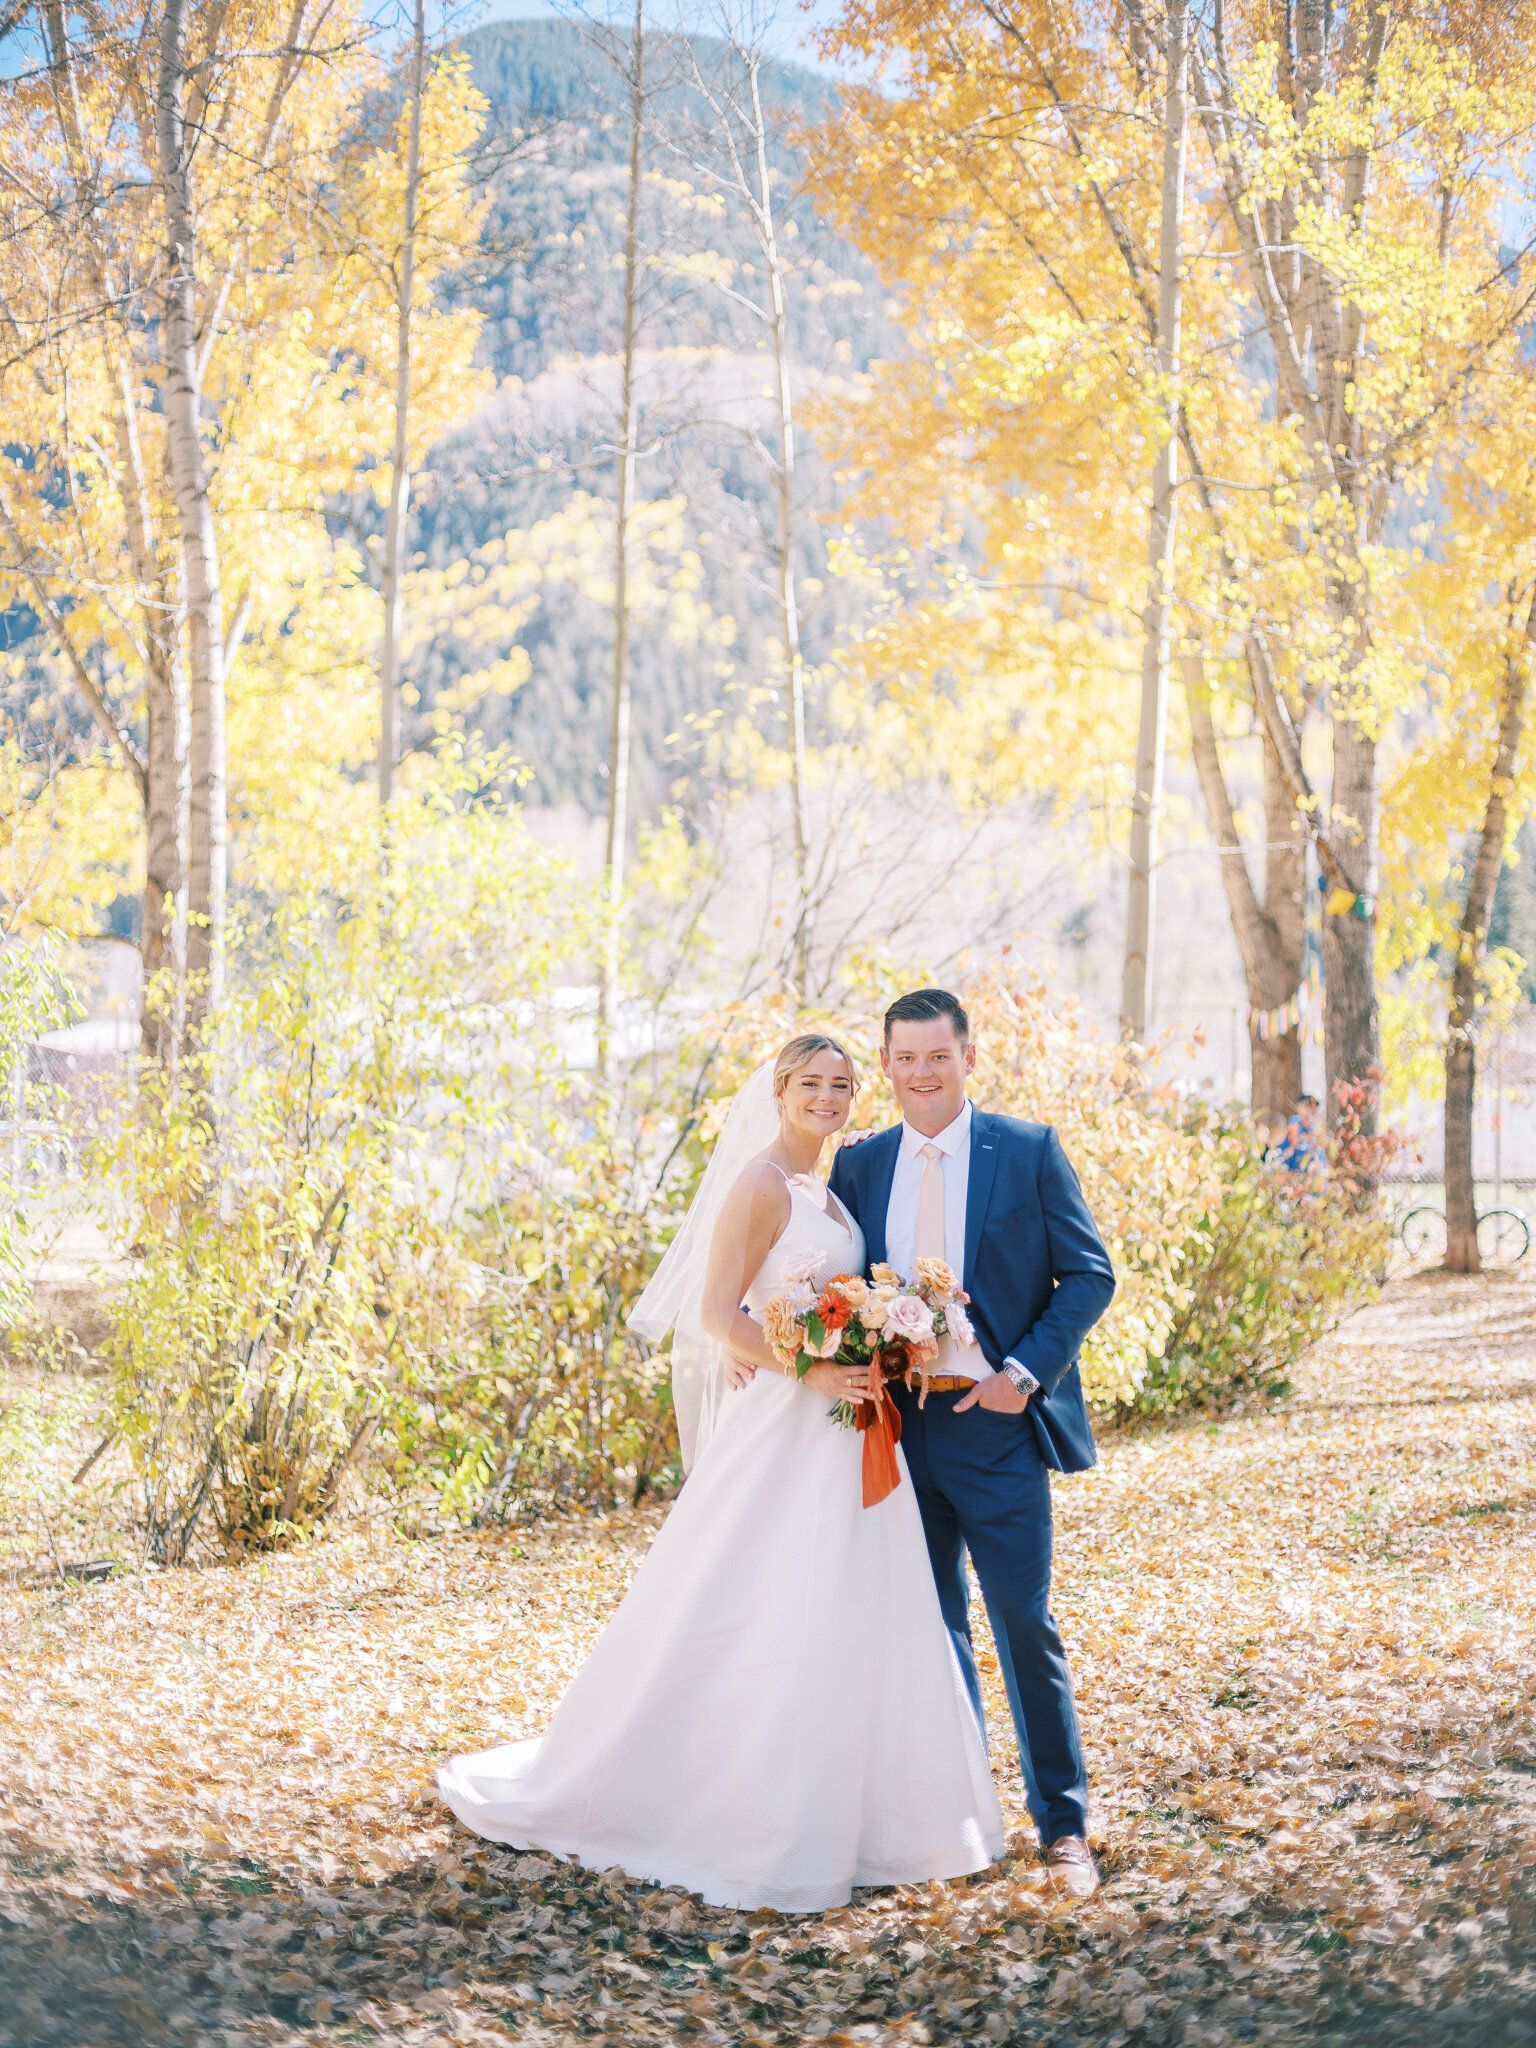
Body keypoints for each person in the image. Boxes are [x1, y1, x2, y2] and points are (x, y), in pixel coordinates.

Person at [437, 1033, 1005, 1913]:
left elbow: (811, 1298)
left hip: (851, 1427)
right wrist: (809, 1368)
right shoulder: (760, 1183)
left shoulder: (830, 1184)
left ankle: (881, 1821)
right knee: (761, 1600)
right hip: (787, 1422)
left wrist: (886, 1337)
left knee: (857, 1604)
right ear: (779, 1091)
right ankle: (741, 1810)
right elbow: (713, 1315)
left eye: (844, 1084)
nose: (828, 1096)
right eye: (812, 1083)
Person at [820, 988, 1116, 1896]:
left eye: (937, 1057)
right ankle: (958, 1819)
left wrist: (1020, 1376)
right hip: (895, 1432)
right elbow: (821, 1284)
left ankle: (1063, 1827)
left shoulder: (1026, 1151)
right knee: (928, 1626)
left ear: (968, 1056)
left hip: (996, 1427)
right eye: (904, 1059)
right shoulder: (861, 1164)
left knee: (1024, 1622)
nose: (921, 1074)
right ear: (886, 1065)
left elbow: (1088, 1275)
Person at [1270, 1094, 1326, 1179]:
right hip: (1295, 1181)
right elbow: (1284, 1155)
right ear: (1298, 1107)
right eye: (1308, 1105)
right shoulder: (1293, 1127)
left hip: (1314, 1183)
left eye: (1314, 1106)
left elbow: (1322, 1160)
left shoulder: (1317, 1131)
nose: (1311, 1110)